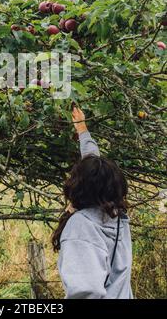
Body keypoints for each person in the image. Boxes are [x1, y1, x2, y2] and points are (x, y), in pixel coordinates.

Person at [52, 106, 133, 299]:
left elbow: (86, 292)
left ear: (77, 186)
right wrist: (82, 129)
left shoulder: (81, 226)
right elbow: (95, 168)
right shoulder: (116, 217)